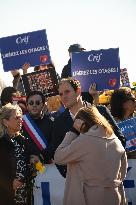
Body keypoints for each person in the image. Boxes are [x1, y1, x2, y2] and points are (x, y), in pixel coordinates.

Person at [50, 78, 126, 177]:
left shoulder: (101, 111)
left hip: (106, 177)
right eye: (60, 94)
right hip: (78, 182)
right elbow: (56, 153)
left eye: (67, 92)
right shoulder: (58, 122)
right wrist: (70, 175)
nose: (63, 97)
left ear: (78, 91)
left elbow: (120, 140)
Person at [54, 106, 128, 205]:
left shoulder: (84, 141)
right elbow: (122, 173)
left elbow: (58, 157)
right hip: (114, 196)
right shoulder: (116, 141)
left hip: (88, 197)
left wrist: (73, 132)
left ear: (80, 122)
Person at [0, 103, 29, 205]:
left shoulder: (22, 140)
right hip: (6, 195)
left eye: (20, 118)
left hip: (25, 192)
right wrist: (9, 183)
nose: (21, 120)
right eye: (17, 118)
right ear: (5, 121)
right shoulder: (1, 143)